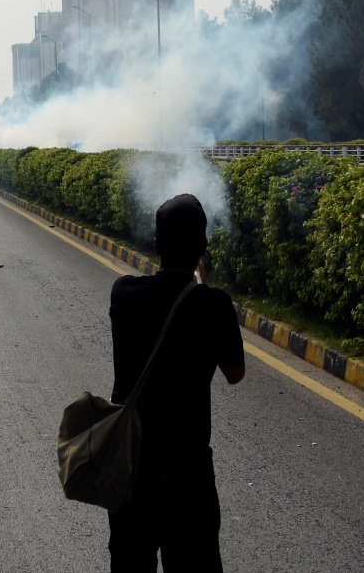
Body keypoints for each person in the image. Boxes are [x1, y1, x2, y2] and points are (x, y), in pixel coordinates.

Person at [106, 194, 245, 572]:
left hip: (133, 475)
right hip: (188, 477)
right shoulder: (214, 306)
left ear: (155, 245)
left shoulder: (124, 294)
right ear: (202, 248)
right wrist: (204, 285)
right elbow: (235, 372)